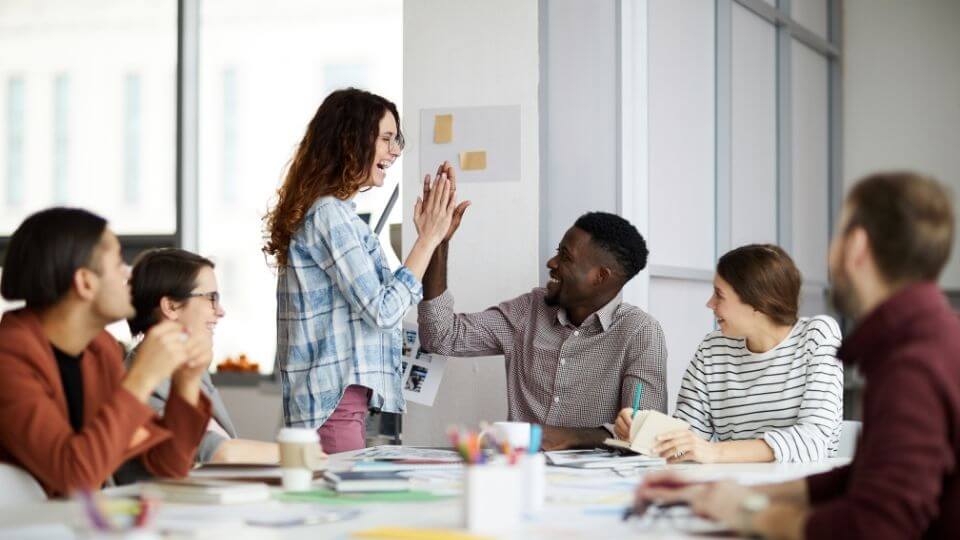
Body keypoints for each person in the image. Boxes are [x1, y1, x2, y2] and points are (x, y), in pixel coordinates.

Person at [634, 172, 960, 539]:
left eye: (834, 237)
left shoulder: (912, 364)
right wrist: (743, 495)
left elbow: (875, 527)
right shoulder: (932, 341)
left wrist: (749, 514)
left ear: (856, 247)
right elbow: (862, 477)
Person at [263, 88, 465, 453]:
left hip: (341, 406)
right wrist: (426, 241)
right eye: (387, 139)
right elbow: (384, 310)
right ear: (350, 142)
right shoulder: (329, 215)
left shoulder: (338, 216)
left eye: (396, 139)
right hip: (333, 409)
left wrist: (431, 238)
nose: (396, 150)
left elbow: (382, 302)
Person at [0, 208, 212, 497]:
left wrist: (186, 381)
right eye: (117, 264)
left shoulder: (99, 350)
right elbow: (73, 475)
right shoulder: (8, 358)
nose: (129, 274)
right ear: (86, 282)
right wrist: (141, 378)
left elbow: (165, 467)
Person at [418, 205, 668, 451]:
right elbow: (440, 337)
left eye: (565, 257)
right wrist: (437, 243)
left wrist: (570, 437)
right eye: (557, 252)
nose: (552, 262)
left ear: (600, 276)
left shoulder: (640, 333)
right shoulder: (529, 311)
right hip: (520, 474)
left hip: (597, 484)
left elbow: (644, 435)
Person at [614, 244, 843, 464]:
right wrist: (642, 431)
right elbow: (689, 436)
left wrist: (715, 452)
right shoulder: (713, 348)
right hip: (731, 487)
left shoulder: (817, 335)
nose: (709, 304)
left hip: (801, 491)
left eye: (719, 295)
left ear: (757, 303)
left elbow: (815, 439)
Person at [125, 248, 280, 464]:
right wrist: (296, 453)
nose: (221, 311)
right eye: (211, 298)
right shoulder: (138, 381)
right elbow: (215, 452)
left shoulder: (190, 369)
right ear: (171, 306)